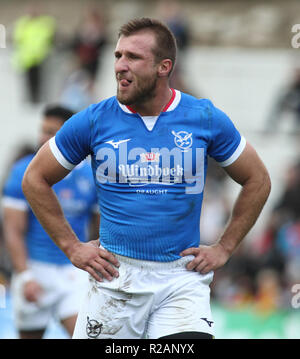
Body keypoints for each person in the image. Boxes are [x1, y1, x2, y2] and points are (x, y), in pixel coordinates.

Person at [22, 18, 271, 339]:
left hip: (180, 282)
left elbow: (258, 179)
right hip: (115, 280)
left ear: (163, 67)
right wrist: (71, 246)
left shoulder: (204, 118)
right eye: (117, 56)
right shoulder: (94, 120)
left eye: (133, 57)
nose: (120, 66)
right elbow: (35, 178)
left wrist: (225, 247)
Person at [2, 105, 99, 339]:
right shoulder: (23, 171)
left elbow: (99, 227)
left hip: (73, 271)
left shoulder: (90, 175)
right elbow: (13, 230)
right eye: (42, 130)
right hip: (35, 270)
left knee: (84, 335)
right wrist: (24, 276)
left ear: (68, 136)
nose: (43, 138)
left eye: (51, 132)